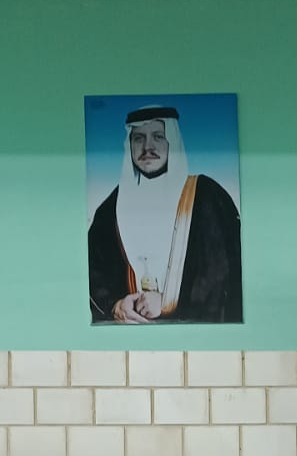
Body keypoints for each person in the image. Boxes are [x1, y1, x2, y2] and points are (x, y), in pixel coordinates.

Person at [88, 105, 242, 324]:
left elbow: (222, 274)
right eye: (139, 138)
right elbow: (94, 272)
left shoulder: (207, 196)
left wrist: (170, 301)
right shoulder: (111, 208)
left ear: (173, 141)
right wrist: (116, 305)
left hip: (194, 330)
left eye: (158, 137)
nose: (147, 147)